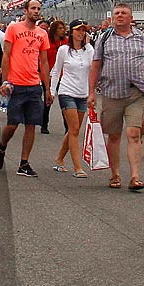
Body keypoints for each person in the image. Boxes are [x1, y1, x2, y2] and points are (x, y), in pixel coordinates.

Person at [89, 3, 144, 192]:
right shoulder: (104, 38)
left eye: (124, 13)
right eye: (117, 13)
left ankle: (135, 176)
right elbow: (96, 65)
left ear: (131, 18)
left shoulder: (141, 38)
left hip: (135, 92)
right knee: (114, 135)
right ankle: (115, 174)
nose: (120, 16)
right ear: (113, 17)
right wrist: (91, 92)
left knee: (134, 133)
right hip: (111, 93)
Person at [0, 0, 54, 179]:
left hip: (34, 85)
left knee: (31, 125)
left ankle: (24, 162)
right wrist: (4, 81)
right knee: (12, 124)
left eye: (38, 8)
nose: (36, 11)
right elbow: (7, 56)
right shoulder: (13, 28)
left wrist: (47, 88)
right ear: (25, 11)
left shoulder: (42, 33)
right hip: (15, 83)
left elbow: (43, 62)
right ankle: (2, 147)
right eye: (33, 8)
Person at [48, 21, 93, 176]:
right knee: (73, 129)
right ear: (71, 32)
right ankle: (77, 167)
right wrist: (52, 91)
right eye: (78, 30)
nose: (81, 33)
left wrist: (92, 92)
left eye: (83, 30)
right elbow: (56, 71)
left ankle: (59, 158)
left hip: (83, 93)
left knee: (75, 129)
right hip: (67, 91)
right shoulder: (63, 50)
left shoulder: (89, 50)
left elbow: (94, 69)